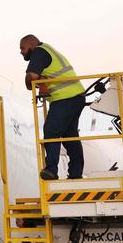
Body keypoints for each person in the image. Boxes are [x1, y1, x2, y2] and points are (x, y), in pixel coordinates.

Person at [20, 35, 87, 180]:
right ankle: (76, 173)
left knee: (51, 130)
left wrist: (36, 80)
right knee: (70, 136)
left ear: (32, 44)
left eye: (22, 48)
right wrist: (43, 81)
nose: (21, 52)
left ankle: (51, 170)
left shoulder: (38, 52)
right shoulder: (48, 50)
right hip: (76, 96)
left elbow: (29, 78)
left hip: (65, 98)